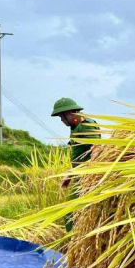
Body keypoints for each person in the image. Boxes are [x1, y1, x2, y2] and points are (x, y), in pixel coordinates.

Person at [51, 97, 100, 231]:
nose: (61, 121)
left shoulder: (86, 126)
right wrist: (69, 176)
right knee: (72, 214)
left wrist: (91, 180)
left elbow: (96, 149)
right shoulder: (76, 127)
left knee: (70, 213)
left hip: (87, 177)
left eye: (62, 117)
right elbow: (79, 157)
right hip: (80, 175)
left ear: (69, 113)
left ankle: (75, 246)